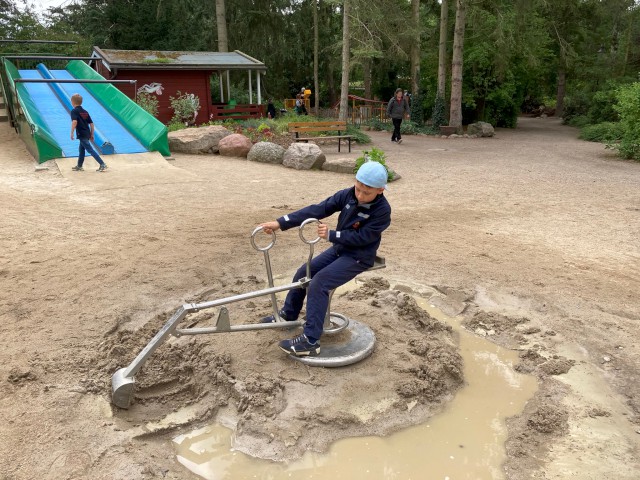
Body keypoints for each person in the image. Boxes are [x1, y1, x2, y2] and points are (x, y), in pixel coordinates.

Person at [259, 161, 391, 357]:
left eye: (367, 192)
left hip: (359, 256)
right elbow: (317, 209)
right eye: (358, 189)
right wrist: (281, 222)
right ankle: (289, 314)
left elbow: (364, 237)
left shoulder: (382, 211)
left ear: (380, 190)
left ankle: (310, 341)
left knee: (319, 283)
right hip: (340, 249)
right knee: (304, 272)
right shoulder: (347, 195)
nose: (360, 195)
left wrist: (332, 235)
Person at [70, 93, 108, 172]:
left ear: (72, 102)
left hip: (81, 134)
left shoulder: (74, 111)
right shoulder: (85, 112)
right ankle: (79, 166)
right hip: (86, 133)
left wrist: (72, 132)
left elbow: (74, 122)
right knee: (81, 149)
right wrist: (92, 134)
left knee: (90, 149)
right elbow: (91, 124)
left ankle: (102, 164)